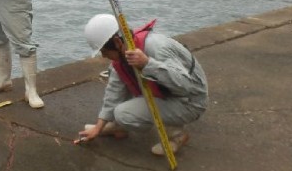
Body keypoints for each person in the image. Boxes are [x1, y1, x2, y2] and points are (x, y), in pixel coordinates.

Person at [76, 14, 208, 156]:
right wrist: (98, 127)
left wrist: (148, 64)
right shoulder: (124, 53)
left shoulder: (156, 48)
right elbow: (114, 92)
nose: (103, 56)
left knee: (124, 114)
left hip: (190, 101)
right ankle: (117, 127)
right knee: (118, 74)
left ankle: (176, 134)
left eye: (104, 51)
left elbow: (185, 85)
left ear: (117, 42)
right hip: (169, 92)